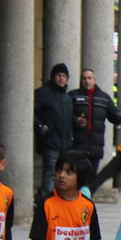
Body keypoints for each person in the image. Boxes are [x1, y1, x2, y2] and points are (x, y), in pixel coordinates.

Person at [34, 63, 74, 199]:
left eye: (64, 76)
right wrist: (42, 127)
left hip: (65, 143)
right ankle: (45, 201)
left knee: (62, 174)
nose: (61, 79)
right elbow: (32, 112)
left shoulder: (67, 98)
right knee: (50, 173)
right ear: (53, 77)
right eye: (58, 75)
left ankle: (58, 200)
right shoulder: (43, 93)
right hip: (50, 141)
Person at [70, 68, 117, 177]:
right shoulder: (73, 96)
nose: (87, 81)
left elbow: (114, 115)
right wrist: (75, 120)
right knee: (77, 178)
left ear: (94, 80)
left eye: (89, 78)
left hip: (96, 147)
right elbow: (66, 117)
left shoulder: (104, 98)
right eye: (84, 78)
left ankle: (88, 194)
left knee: (91, 180)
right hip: (78, 146)